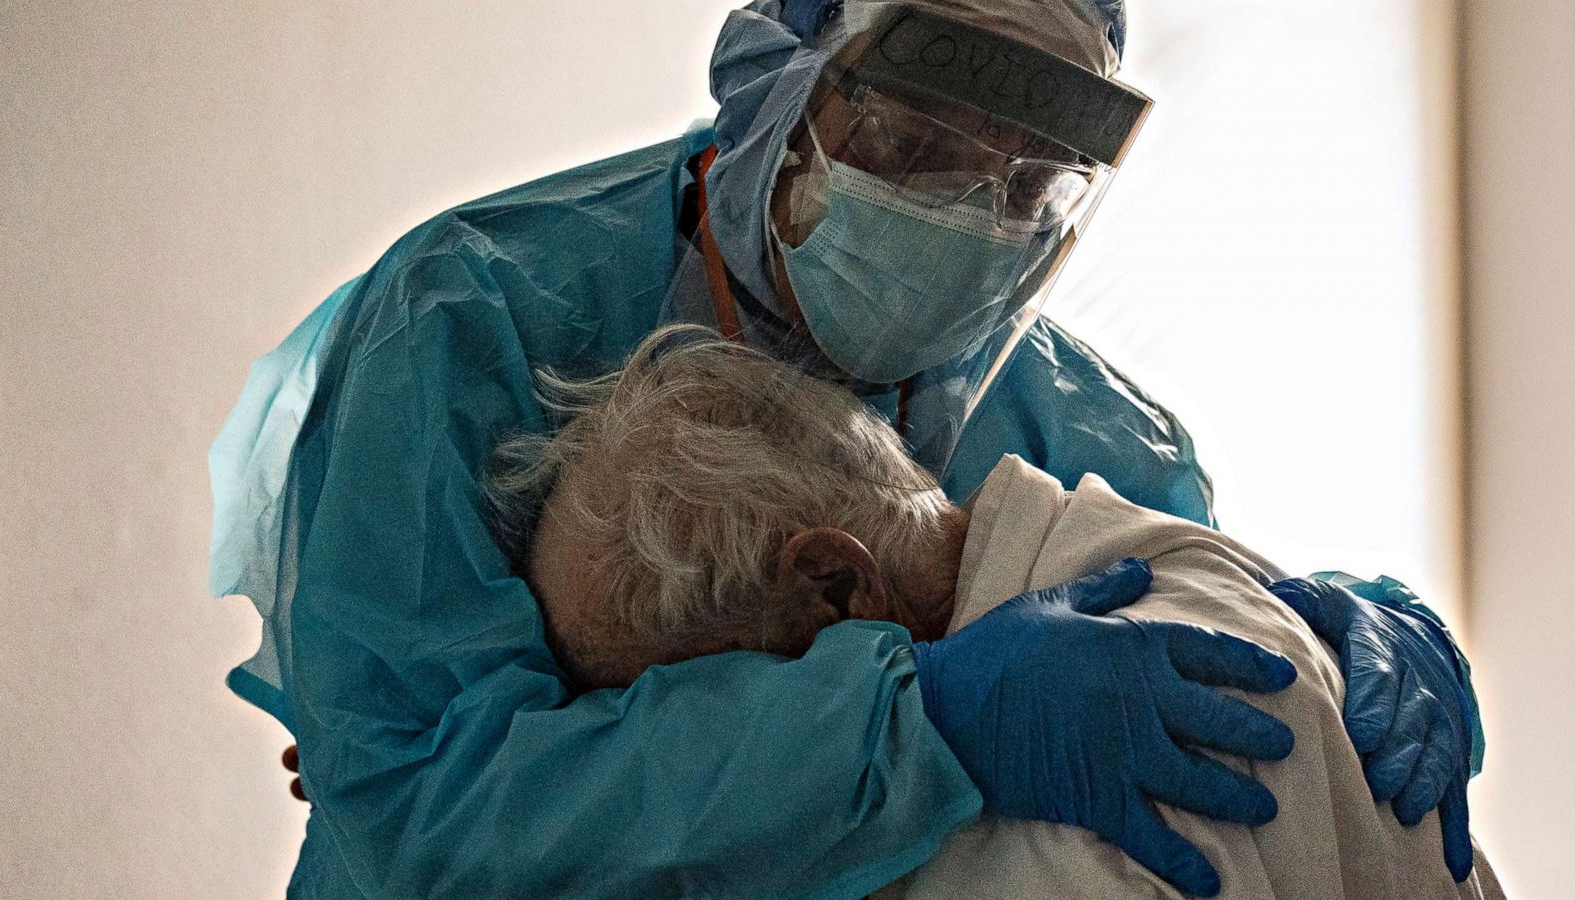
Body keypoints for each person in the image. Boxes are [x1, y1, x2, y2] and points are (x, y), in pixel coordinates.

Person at [213, 1, 1482, 896]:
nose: (970, 214)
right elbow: (426, 811)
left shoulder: (1091, 430)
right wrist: (905, 726)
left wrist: (1312, 622)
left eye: (1031, 182)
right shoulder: (473, 321)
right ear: (780, 84)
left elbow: (1192, 671)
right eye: (918, 145)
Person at [484, 324, 1502, 899]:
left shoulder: (1124, 769)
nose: (698, 763)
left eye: (677, 706)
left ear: (835, 588)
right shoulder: (1136, 555)